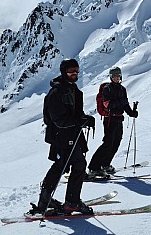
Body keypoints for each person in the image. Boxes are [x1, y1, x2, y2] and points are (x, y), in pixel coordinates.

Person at [29, 58, 96, 216]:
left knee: (76, 165)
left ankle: (66, 201)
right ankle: (49, 202)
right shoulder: (57, 92)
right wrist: (79, 121)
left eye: (76, 71)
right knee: (62, 167)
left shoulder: (74, 91)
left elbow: (75, 114)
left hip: (73, 135)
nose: (74, 74)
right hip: (62, 137)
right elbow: (57, 119)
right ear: (64, 72)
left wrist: (85, 119)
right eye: (71, 71)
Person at [88, 67, 139, 178]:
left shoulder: (122, 89)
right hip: (109, 119)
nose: (116, 78)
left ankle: (105, 164)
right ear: (111, 77)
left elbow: (125, 105)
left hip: (119, 119)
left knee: (116, 143)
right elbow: (108, 104)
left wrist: (132, 113)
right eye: (114, 76)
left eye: (118, 76)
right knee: (107, 143)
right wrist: (120, 102)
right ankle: (93, 168)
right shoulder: (107, 88)